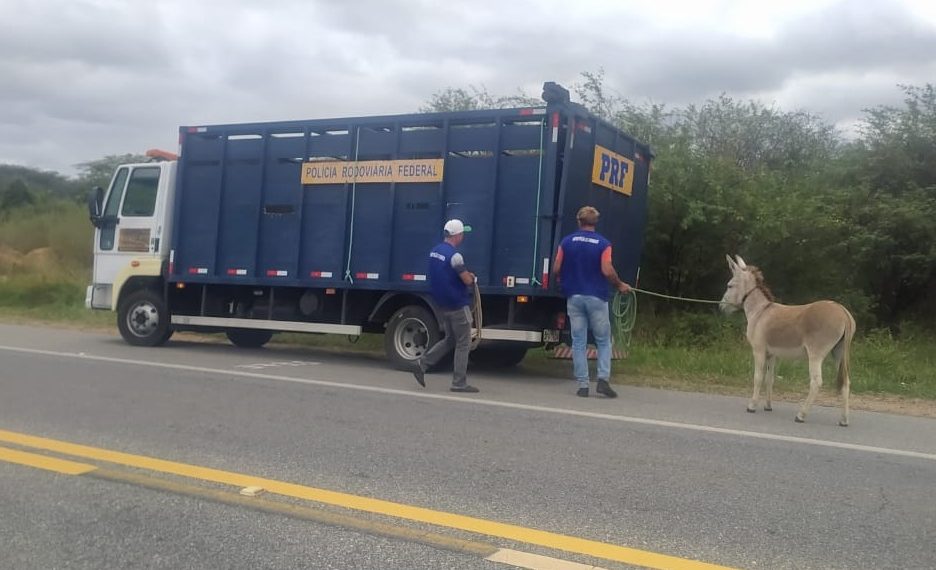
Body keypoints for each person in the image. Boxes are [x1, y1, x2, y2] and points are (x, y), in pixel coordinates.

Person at [552, 206, 631, 398]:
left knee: (578, 342)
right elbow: (606, 270)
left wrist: (562, 280)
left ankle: (583, 385)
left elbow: (556, 268)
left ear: (579, 221)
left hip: (574, 297)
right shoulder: (603, 243)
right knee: (603, 341)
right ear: (595, 223)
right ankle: (603, 379)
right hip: (596, 296)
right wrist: (620, 284)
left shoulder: (567, 241)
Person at [412, 219, 479, 393]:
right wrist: (472, 278)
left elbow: (445, 274)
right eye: (462, 234)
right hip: (457, 304)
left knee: (450, 340)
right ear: (457, 235)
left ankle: (422, 363)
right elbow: (465, 279)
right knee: (464, 343)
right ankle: (459, 382)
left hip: (442, 304)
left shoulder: (435, 252)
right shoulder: (455, 256)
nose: (463, 237)